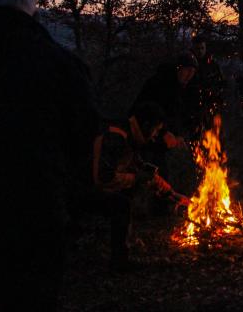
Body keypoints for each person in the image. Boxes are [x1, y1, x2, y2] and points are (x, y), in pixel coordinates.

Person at [0, 0, 99, 311]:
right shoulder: (56, 62)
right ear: (32, 8)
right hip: (35, 204)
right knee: (31, 296)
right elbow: (86, 131)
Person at [71, 101, 187, 272]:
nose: (156, 136)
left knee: (128, 191)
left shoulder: (129, 137)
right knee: (121, 204)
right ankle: (119, 262)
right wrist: (136, 179)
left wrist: (172, 194)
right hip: (77, 187)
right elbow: (103, 178)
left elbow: (141, 170)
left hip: (87, 184)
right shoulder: (116, 136)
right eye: (156, 130)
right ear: (146, 125)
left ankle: (125, 244)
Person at [185, 35, 226, 136]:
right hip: (192, 108)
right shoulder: (187, 63)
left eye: (202, 48)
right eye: (197, 48)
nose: (200, 51)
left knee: (211, 136)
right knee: (195, 137)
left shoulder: (212, 65)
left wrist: (218, 100)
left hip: (210, 106)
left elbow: (221, 83)